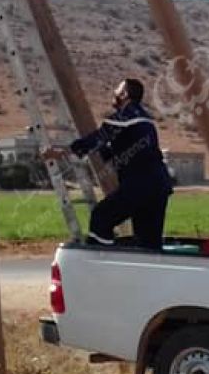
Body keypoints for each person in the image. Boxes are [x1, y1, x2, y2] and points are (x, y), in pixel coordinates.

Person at [44, 78, 174, 249]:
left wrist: (63, 152)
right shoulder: (145, 120)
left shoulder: (126, 116)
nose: (113, 93)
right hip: (159, 187)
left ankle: (102, 262)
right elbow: (114, 150)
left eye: (117, 90)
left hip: (140, 185)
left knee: (101, 217)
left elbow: (98, 138)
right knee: (148, 242)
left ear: (124, 94)